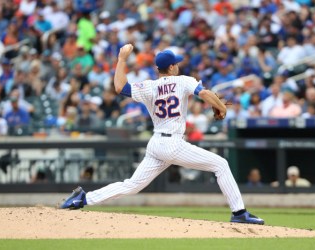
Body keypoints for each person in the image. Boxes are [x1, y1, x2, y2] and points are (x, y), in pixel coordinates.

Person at [60, 44, 264, 225]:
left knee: (132, 185)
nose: (178, 66)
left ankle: (83, 198)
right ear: (172, 67)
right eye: (176, 63)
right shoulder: (183, 81)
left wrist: (122, 59)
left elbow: (120, 87)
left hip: (156, 143)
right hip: (173, 144)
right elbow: (204, 93)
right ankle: (239, 212)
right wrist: (221, 107)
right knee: (221, 164)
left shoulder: (149, 86)